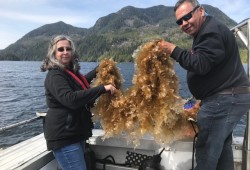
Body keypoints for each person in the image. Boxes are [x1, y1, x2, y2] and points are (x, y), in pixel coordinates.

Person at [158, 0, 250, 169]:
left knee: (206, 153)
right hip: (225, 98)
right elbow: (211, 69)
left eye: (187, 17)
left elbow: (201, 64)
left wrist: (173, 50)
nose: (184, 23)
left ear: (200, 11)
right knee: (222, 153)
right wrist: (199, 98)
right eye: (179, 21)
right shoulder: (208, 31)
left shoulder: (211, 31)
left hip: (223, 101)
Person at [40, 35, 116, 170]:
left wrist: (99, 69)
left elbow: (82, 84)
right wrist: (102, 88)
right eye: (60, 49)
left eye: (68, 49)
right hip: (64, 137)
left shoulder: (68, 72)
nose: (65, 52)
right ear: (53, 53)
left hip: (74, 133)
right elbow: (71, 99)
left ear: (72, 51)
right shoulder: (55, 75)